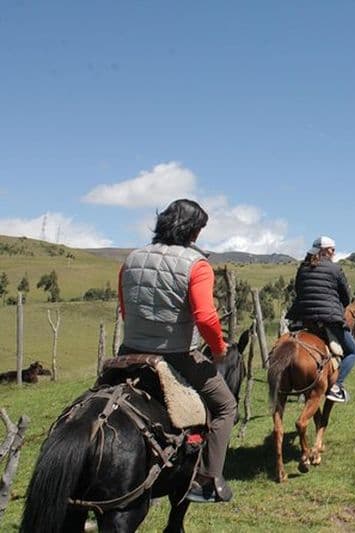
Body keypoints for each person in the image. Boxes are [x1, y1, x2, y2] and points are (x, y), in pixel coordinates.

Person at [117, 198, 236, 504]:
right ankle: (207, 478)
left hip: (127, 353)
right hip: (175, 355)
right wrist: (218, 349)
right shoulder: (196, 265)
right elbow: (206, 317)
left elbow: (124, 309)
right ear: (193, 231)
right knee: (225, 407)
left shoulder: (131, 259)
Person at [286, 236, 355, 403]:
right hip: (329, 320)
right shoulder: (335, 269)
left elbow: (298, 290)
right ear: (324, 250)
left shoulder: (302, 268)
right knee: (353, 351)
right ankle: (336, 386)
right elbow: (346, 298)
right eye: (331, 249)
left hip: (303, 319)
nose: (333, 252)